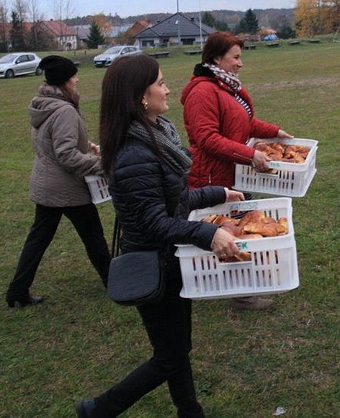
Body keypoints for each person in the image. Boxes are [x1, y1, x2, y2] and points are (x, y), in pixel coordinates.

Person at [75, 54, 244, 417]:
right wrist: (207, 233)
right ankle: (99, 409)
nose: (169, 89)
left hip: (171, 263)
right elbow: (155, 223)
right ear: (140, 96)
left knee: (176, 350)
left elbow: (174, 202)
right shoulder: (136, 153)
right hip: (155, 264)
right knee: (169, 356)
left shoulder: (157, 136)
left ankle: (189, 412)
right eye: (161, 83)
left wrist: (219, 194)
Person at [179, 31, 292, 310]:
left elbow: (245, 123)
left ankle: (242, 288)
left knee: (238, 229)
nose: (241, 63)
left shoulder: (226, 86)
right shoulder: (203, 91)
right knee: (226, 232)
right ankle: (239, 294)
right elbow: (206, 138)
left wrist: (275, 132)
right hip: (212, 176)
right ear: (217, 58)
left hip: (233, 171)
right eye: (236, 57)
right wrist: (250, 154)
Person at [5, 55, 111, 308]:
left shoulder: (43, 104)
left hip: (46, 184)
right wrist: (103, 165)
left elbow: (53, 145)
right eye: (73, 76)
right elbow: (65, 154)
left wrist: (87, 146)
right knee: (94, 236)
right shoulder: (63, 110)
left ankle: (17, 291)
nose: (77, 79)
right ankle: (114, 281)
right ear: (64, 81)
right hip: (66, 188)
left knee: (38, 239)